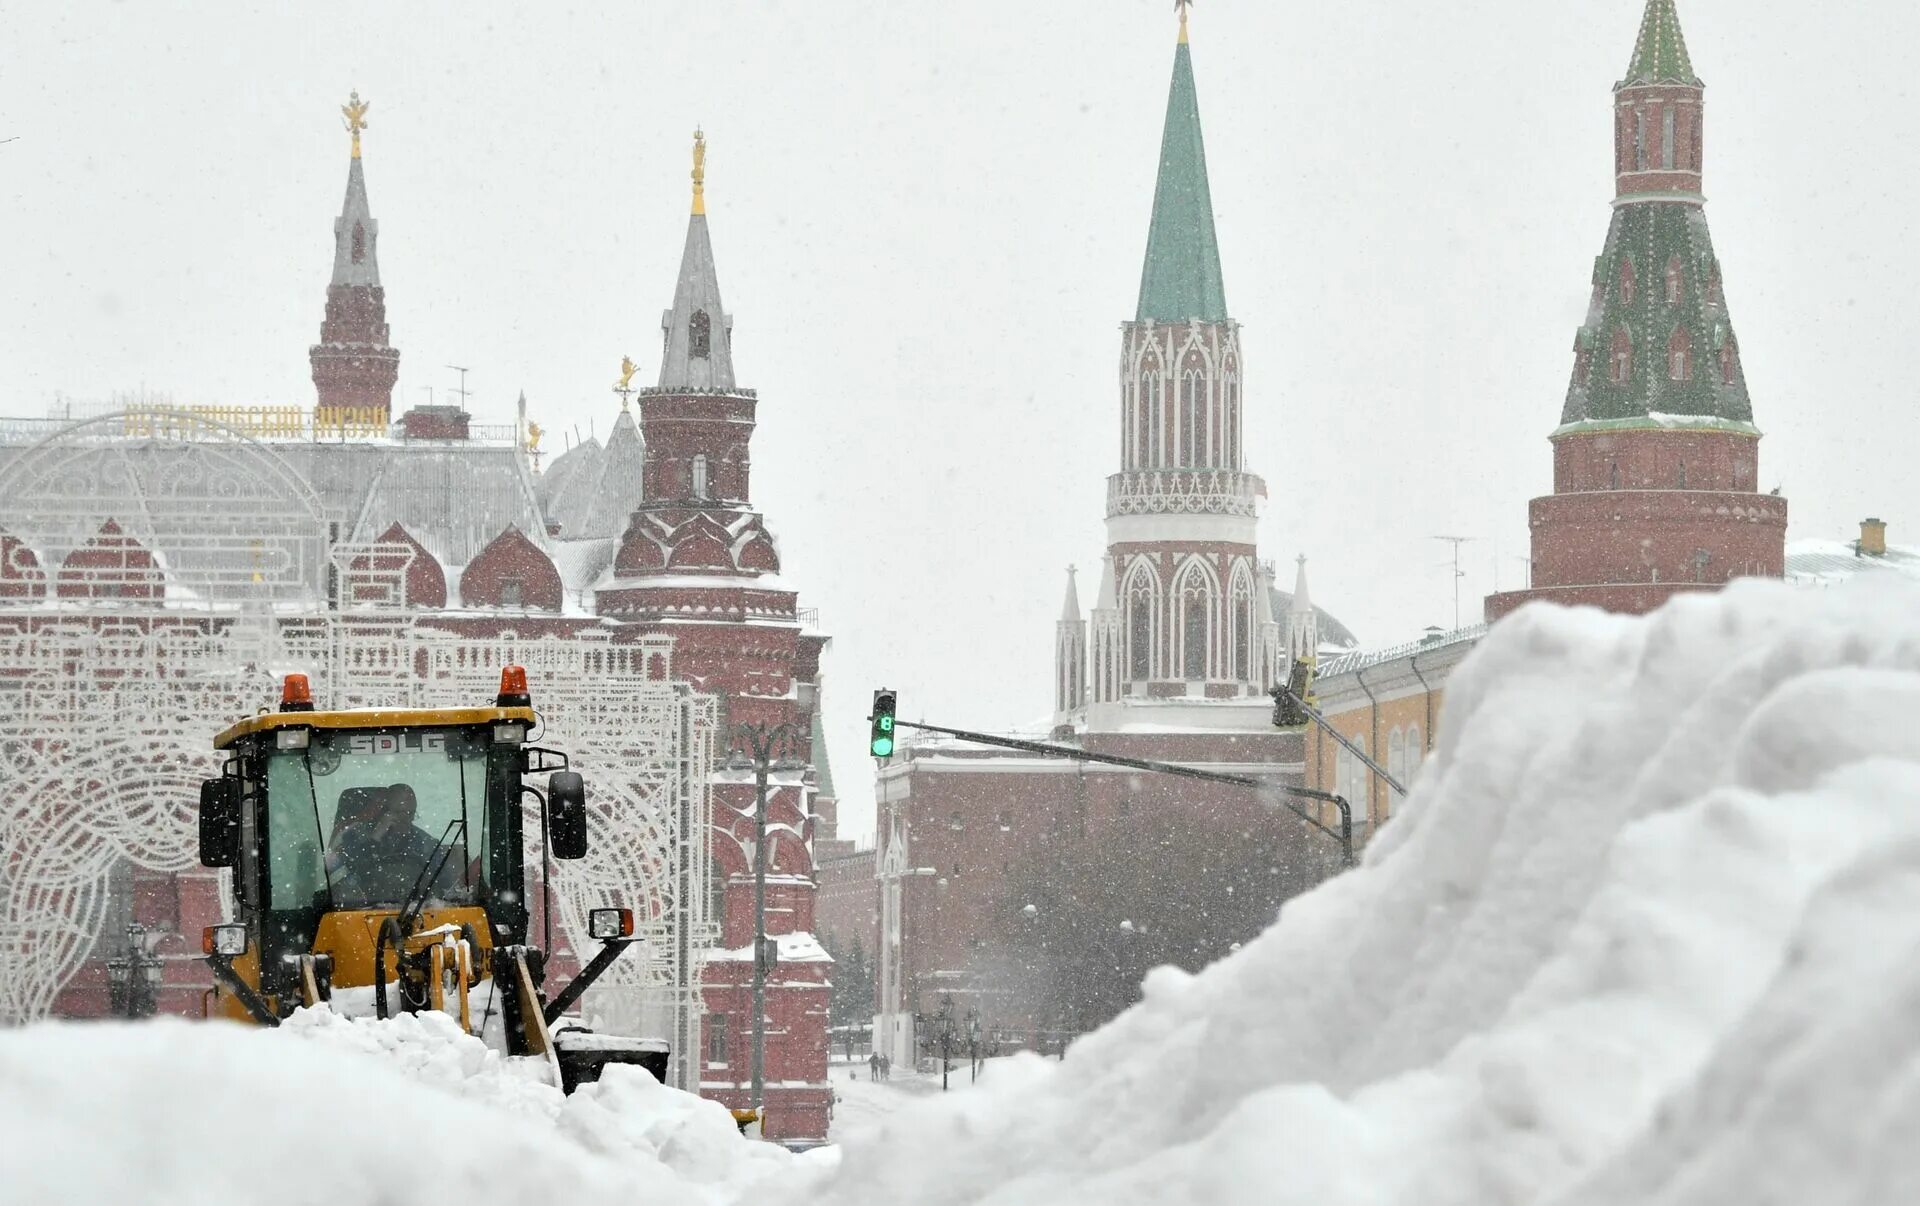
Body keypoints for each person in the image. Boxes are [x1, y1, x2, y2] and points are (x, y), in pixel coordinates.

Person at [326, 783, 452, 906]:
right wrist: (374, 839)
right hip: (361, 912)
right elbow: (332, 873)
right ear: (382, 812)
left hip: (415, 912)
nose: (405, 820)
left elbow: (446, 888)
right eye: (398, 813)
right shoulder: (354, 837)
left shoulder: (427, 844)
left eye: (410, 814)